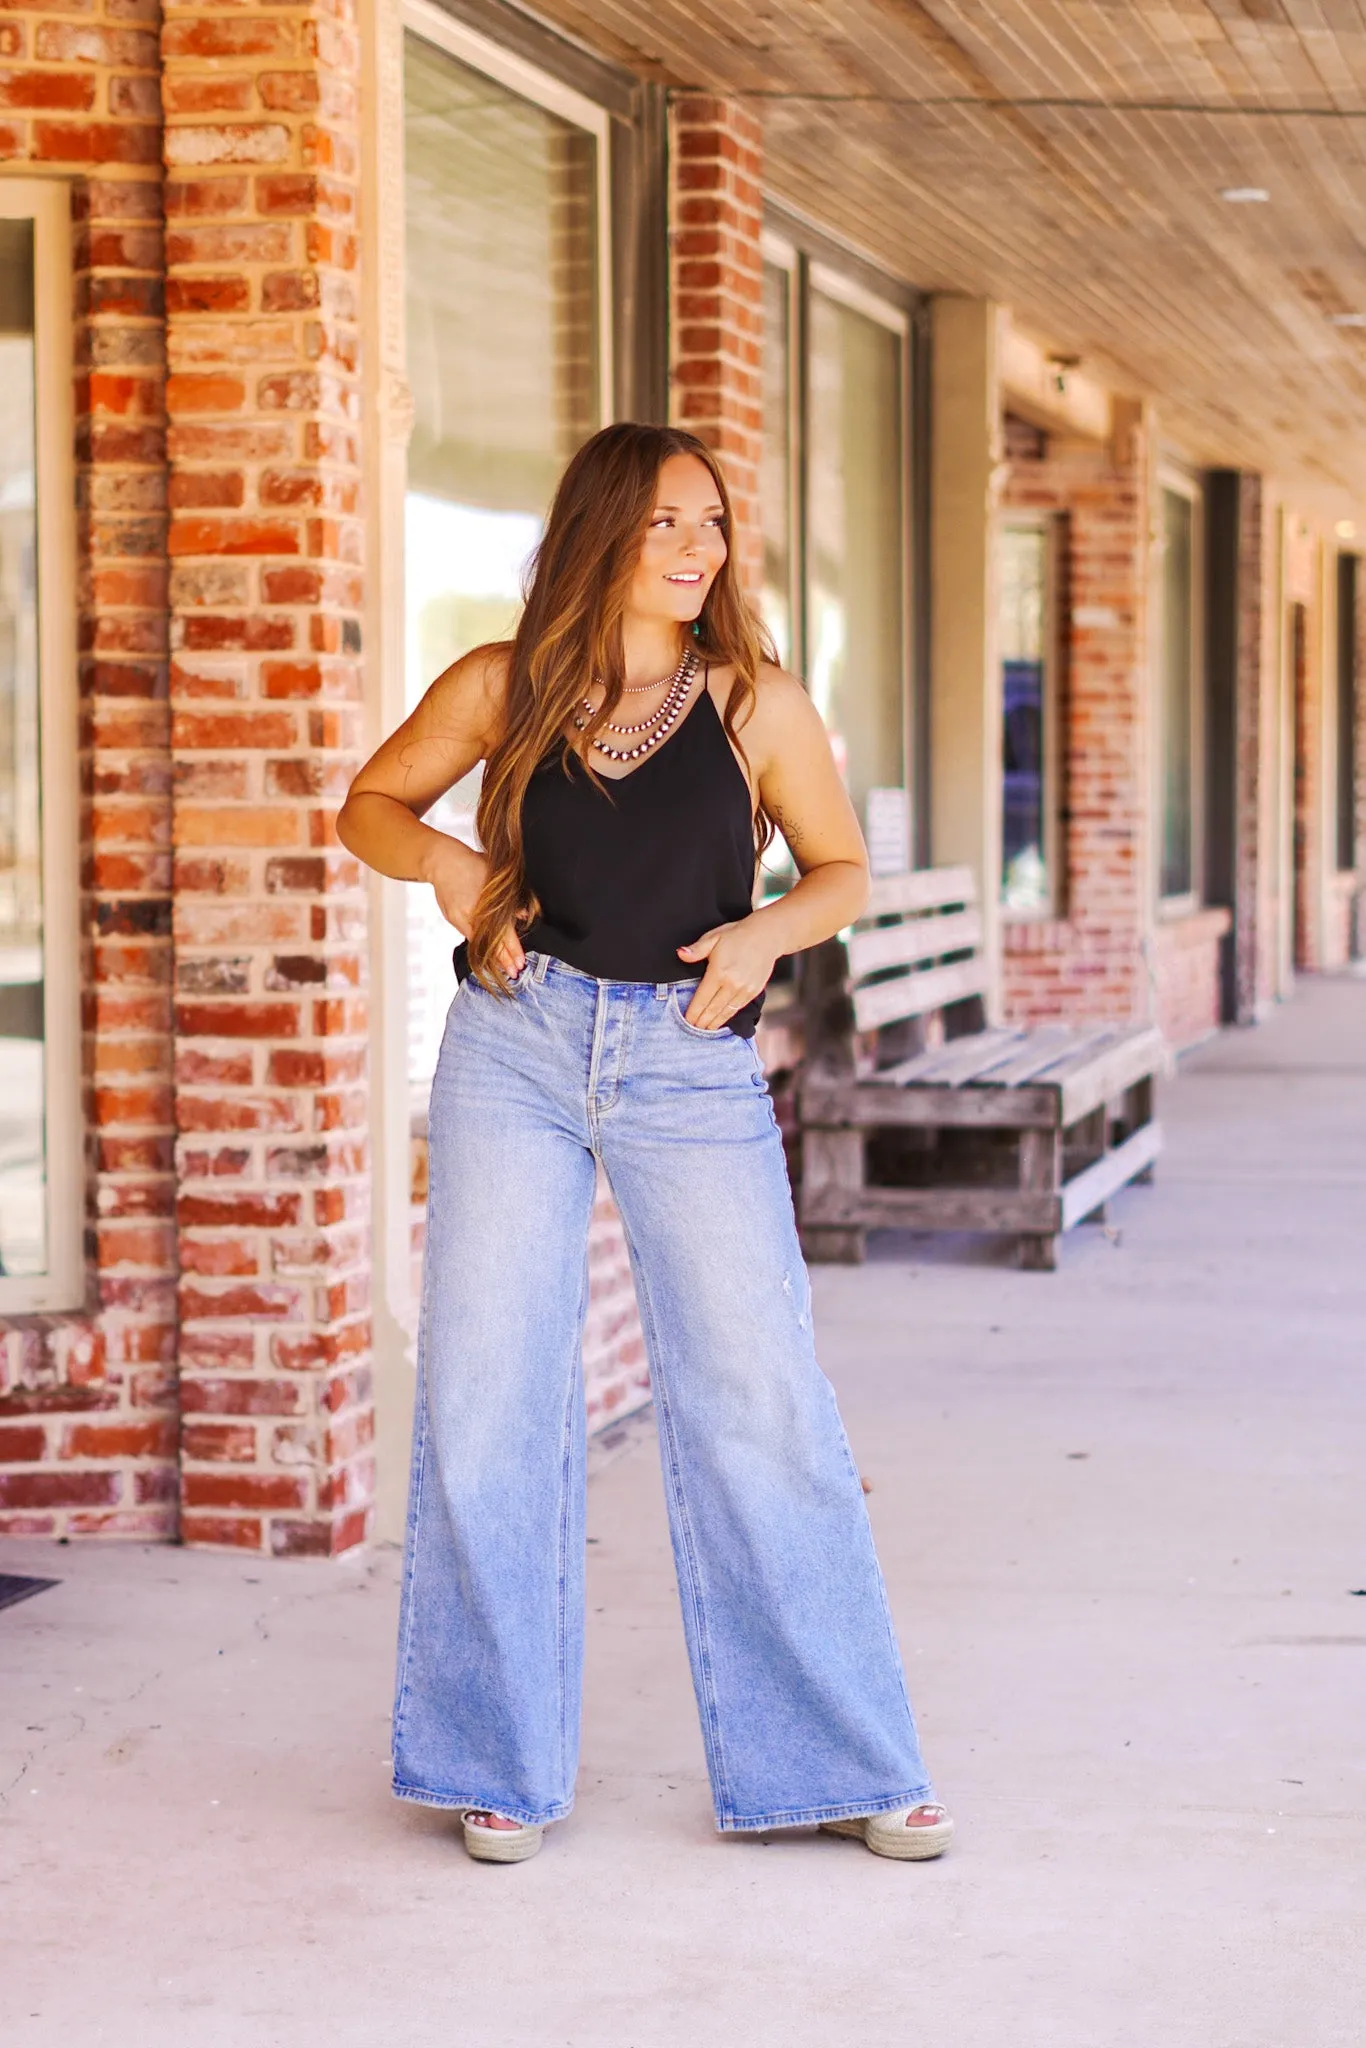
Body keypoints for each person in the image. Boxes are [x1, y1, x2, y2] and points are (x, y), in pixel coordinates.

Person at [337, 422, 951, 1866]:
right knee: (489, 1394)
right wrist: (450, 866)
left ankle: (842, 1758)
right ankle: (499, 1760)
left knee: (758, 1396)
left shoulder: (755, 704)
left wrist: (761, 935)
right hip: (517, 1047)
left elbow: (841, 870)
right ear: (600, 530)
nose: (698, 549)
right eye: (669, 521)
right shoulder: (503, 686)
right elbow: (369, 804)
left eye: (713, 523)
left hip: (687, 1062)